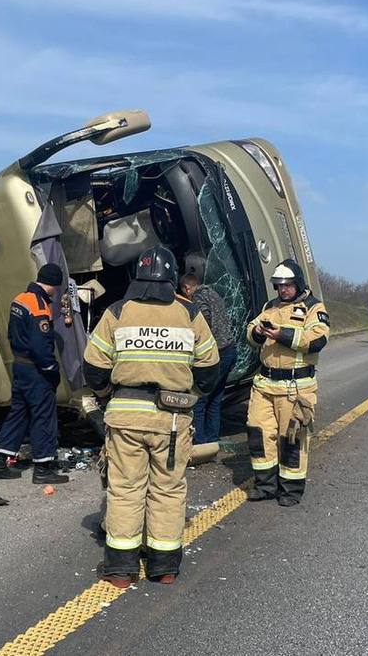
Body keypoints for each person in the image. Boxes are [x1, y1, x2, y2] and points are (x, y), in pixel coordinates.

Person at [83, 246, 220, 588]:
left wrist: (105, 396)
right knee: (168, 490)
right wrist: (188, 396)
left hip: (126, 418)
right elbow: (209, 370)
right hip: (172, 422)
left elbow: (94, 367)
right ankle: (164, 567)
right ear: (172, 277)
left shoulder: (117, 312)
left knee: (126, 489)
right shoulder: (189, 315)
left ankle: (120, 569)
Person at [245, 259, 329, 507]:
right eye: (279, 286)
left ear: (298, 283)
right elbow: (250, 330)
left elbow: (318, 339)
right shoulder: (270, 306)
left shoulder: (314, 307)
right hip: (264, 385)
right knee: (258, 433)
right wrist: (258, 333)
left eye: (288, 285)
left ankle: (290, 490)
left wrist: (282, 334)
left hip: (295, 387)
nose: (283, 290)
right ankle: (265, 485)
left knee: (291, 438)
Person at [0, 264, 70, 483]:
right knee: (44, 417)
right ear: (53, 284)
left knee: (18, 415)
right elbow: (41, 346)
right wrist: (52, 370)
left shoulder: (20, 299)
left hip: (20, 367)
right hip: (36, 370)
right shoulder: (40, 306)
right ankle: (43, 469)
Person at [178, 272, 237, 445]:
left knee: (200, 398)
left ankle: (200, 441)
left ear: (187, 289)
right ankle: (212, 439)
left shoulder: (198, 298)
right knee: (215, 399)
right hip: (230, 350)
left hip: (217, 353)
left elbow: (204, 323)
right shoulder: (213, 293)